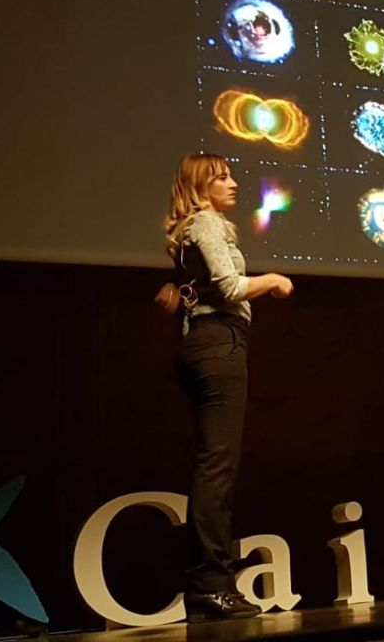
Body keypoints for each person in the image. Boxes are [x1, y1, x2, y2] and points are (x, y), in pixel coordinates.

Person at [162, 153, 294, 621]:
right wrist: (274, 280)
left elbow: (198, 286)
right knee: (216, 467)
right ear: (201, 186)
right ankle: (211, 585)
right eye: (222, 178)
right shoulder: (206, 224)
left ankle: (209, 582)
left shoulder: (190, 231)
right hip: (219, 343)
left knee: (213, 465)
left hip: (204, 344)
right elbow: (229, 285)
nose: (234, 184)